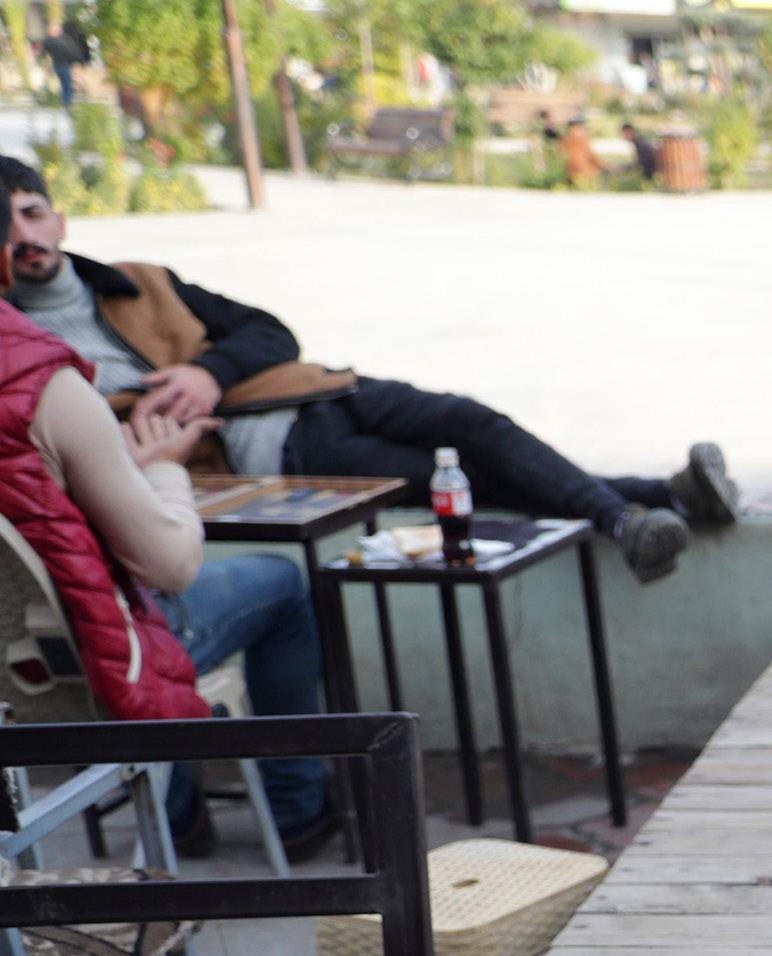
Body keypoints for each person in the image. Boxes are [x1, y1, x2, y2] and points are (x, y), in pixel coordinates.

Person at [0, 155, 739, 588]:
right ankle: (632, 513)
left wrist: (210, 373)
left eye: (35, 214)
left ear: (60, 219)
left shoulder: (139, 278)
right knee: (452, 477)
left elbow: (271, 332)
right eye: (8, 227)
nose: (26, 237)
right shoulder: (19, 344)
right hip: (274, 451)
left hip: (319, 390)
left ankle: (655, 499)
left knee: (474, 421)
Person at [0, 176, 329, 860]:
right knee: (279, 582)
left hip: (13, 679)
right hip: (89, 659)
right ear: (5, 257)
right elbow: (170, 566)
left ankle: (176, 816)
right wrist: (163, 467)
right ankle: (296, 814)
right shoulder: (46, 383)